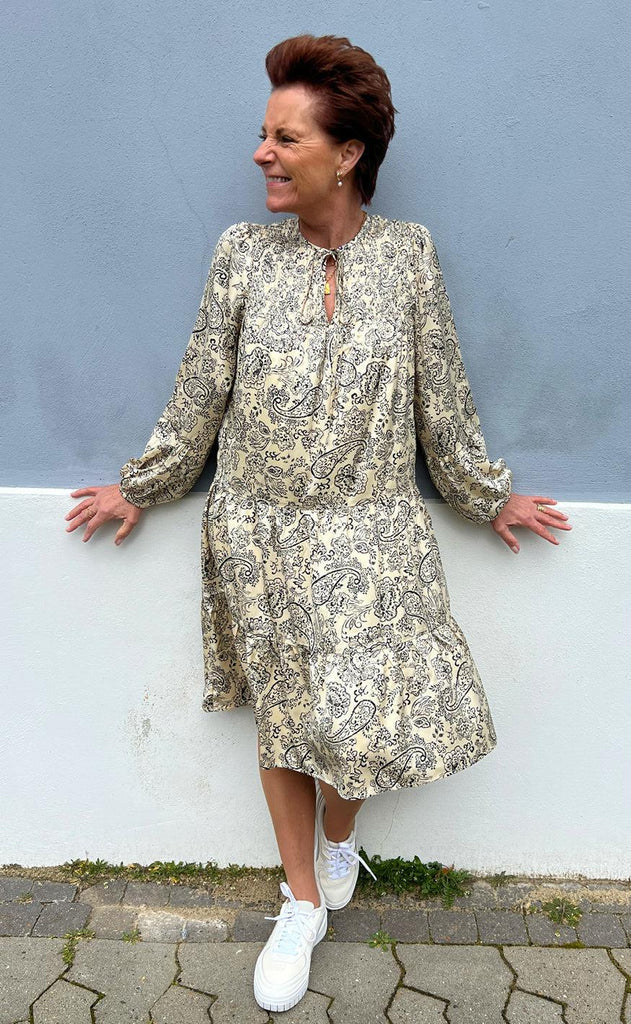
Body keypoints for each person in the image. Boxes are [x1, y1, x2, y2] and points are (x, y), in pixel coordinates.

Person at [64, 33, 572, 1013]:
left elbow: (439, 390)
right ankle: (299, 900)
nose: (261, 152)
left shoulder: (408, 255)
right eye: (263, 134)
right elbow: (202, 385)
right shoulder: (241, 254)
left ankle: (341, 838)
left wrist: (483, 491)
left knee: (359, 714)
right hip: (258, 528)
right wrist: (144, 483)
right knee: (287, 721)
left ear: (345, 154)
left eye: (284, 137)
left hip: (371, 529)